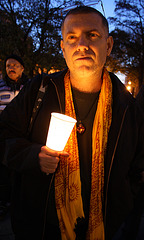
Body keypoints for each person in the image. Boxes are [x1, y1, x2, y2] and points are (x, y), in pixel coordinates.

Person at [0, 6, 144, 240]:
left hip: (104, 230)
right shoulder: (38, 91)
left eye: (92, 35)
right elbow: (4, 136)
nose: (82, 45)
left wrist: (121, 208)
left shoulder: (128, 108)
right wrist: (33, 155)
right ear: (63, 48)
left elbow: (137, 170)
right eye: (72, 37)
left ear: (108, 45)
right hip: (40, 229)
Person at [0, 55, 29, 239]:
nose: (11, 68)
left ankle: (18, 202)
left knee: (19, 169)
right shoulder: (0, 86)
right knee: (2, 168)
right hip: (2, 136)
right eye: (8, 65)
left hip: (22, 136)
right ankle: (4, 201)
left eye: (15, 65)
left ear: (22, 68)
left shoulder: (28, 88)